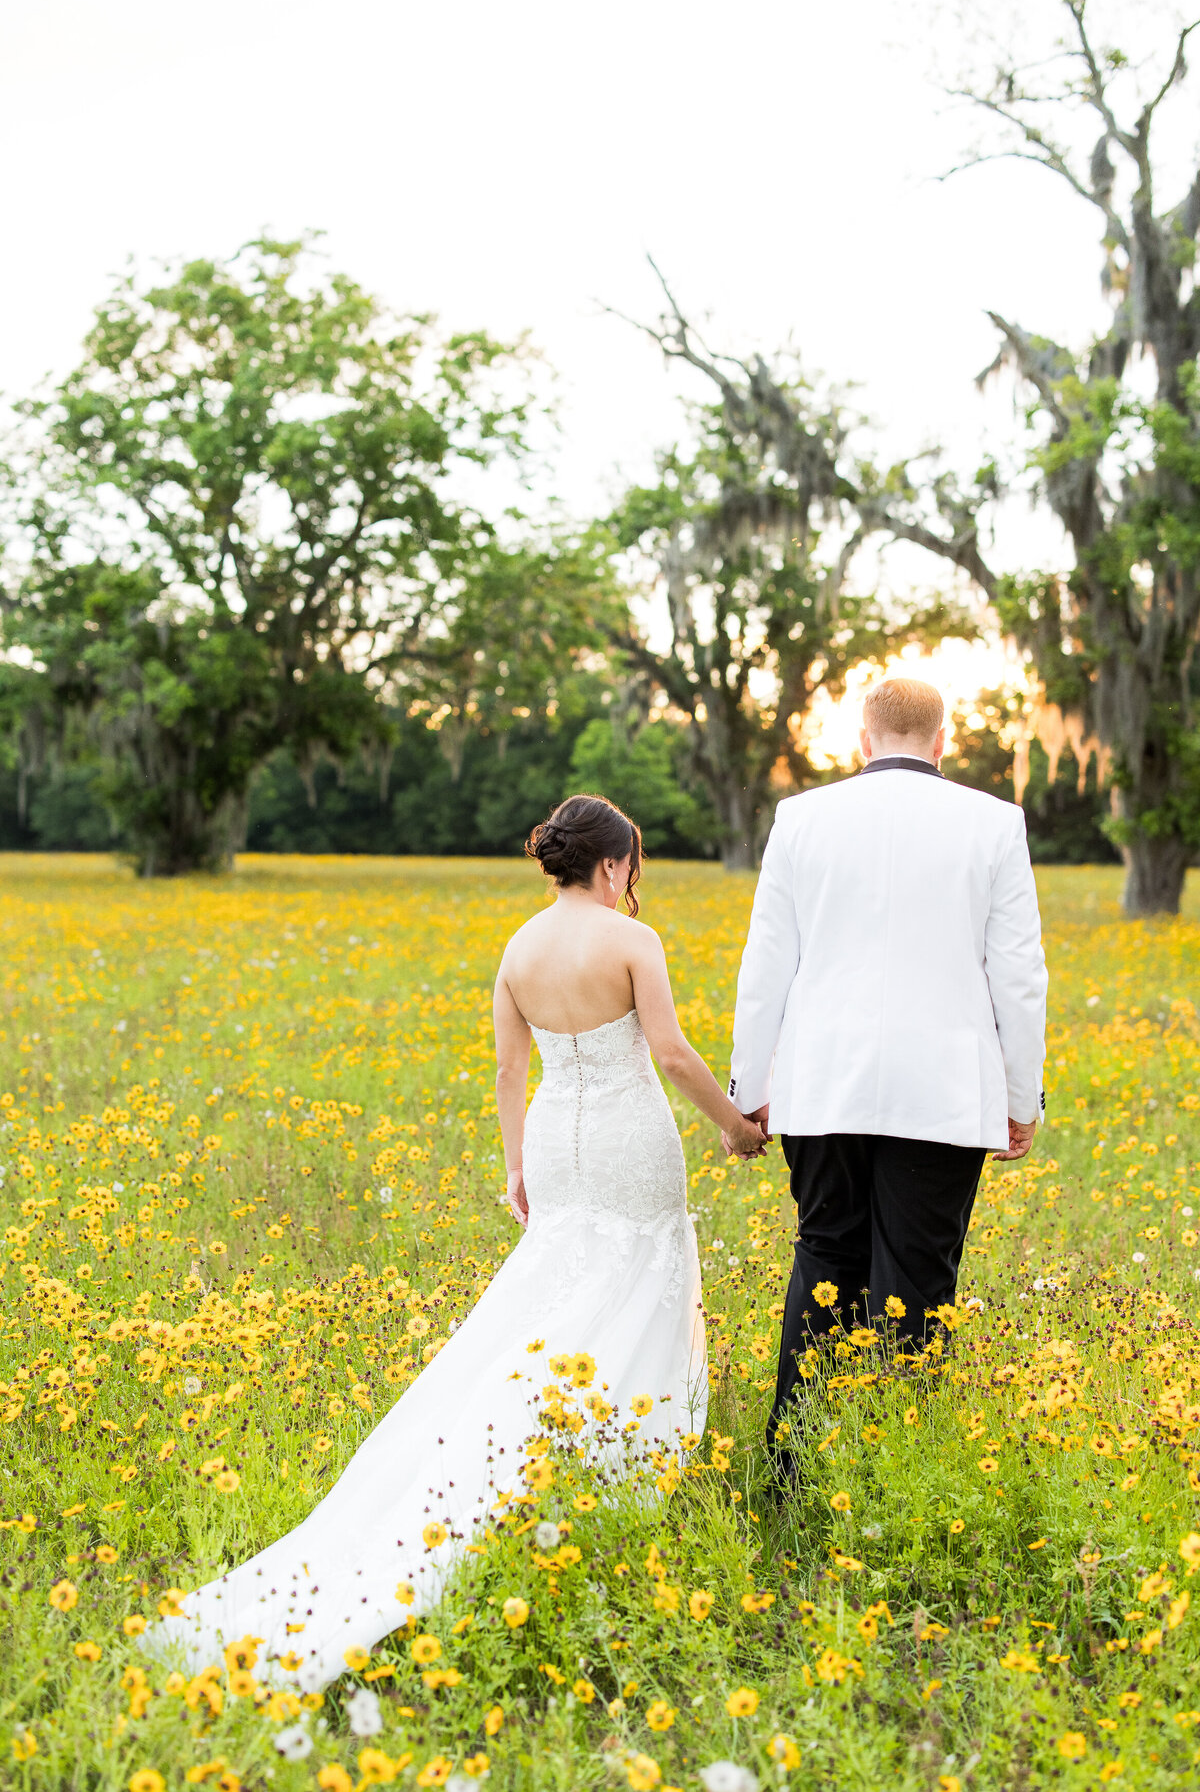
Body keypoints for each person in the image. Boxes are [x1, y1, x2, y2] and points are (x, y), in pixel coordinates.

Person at [142, 793, 763, 1690]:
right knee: (637, 1283)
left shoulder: (518, 949)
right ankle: (617, 1468)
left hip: (554, 1137)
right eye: (634, 865)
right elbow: (667, 1050)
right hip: (630, 1137)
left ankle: (533, 1450)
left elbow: (511, 1069)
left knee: (556, 1298)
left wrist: (516, 1167)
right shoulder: (635, 941)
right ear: (615, 864)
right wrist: (737, 1126)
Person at [723, 678, 1047, 1457]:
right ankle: (899, 1463)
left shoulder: (801, 818)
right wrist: (1021, 1096)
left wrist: (749, 1090)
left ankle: (795, 1461)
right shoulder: (995, 822)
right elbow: (1019, 974)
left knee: (825, 1254)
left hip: (823, 1081)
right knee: (921, 1278)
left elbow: (766, 965)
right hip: (943, 1088)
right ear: (943, 740)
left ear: (861, 739)